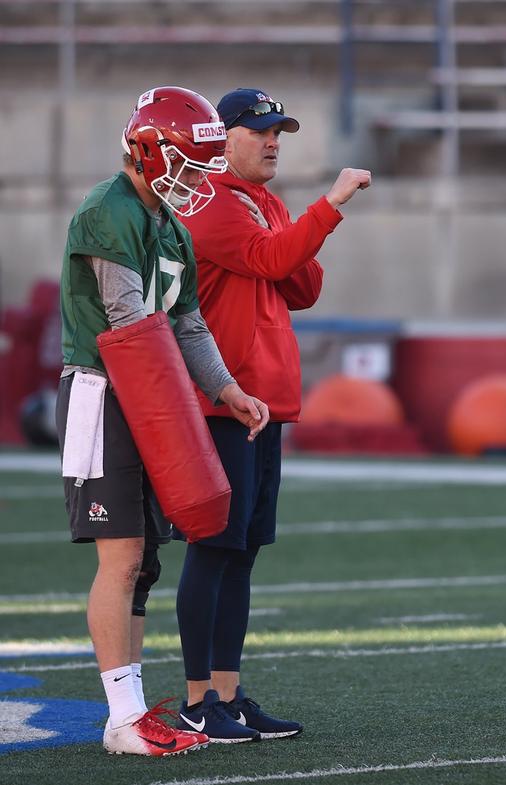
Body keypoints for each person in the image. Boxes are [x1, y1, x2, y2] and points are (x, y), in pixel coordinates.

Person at [56, 85, 269, 756]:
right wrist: (174, 408)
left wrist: (227, 389)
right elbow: (128, 321)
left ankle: (134, 710)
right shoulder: (109, 211)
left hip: (147, 390)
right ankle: (123, 718)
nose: (200, 178)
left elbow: (186, 321)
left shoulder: (170, 224)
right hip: (106, 388)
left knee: (143, 561)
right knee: (120, 559)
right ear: (150, 152)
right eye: (190, 163)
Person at [173, 88, 371, 743]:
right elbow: (271, 260)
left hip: (264, 406)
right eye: (258, 130)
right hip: (221, 400)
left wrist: (295, 225)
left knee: (245, 551)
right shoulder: (210, 201)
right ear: (222, 137)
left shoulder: (262, 202)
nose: (272, 140)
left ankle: (227, 692)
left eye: (277, 130)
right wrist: (329, 207)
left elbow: (303, 286)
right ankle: (198, 699)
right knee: (215, 547)